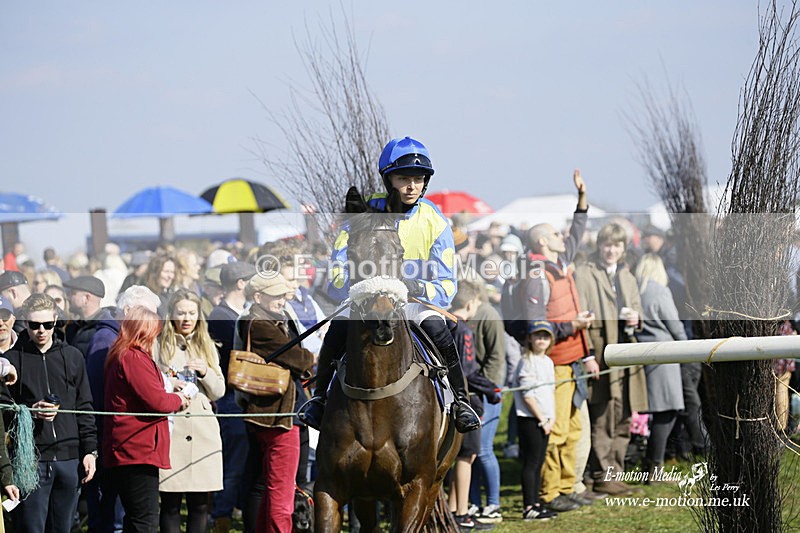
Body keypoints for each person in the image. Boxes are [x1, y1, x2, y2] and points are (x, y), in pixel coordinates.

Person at [299, 136, 480, 435]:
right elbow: (337, 273)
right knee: (338, 329)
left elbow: (447, 286)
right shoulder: (362, 214)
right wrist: (364, 286)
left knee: (438, 330)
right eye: (403, 178)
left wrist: (412, 286)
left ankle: (461, 401)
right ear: (388, 179)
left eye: (418, 179)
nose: (411, 186)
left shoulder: (436, 222)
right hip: (365, 300)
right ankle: (319, 399)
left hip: (413, 303)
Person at [505, 170, 598, 511]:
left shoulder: (558, 261)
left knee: (572, 429)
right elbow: (537, 327)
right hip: (553, 361)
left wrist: (582, 200)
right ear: (543, 242)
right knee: (555, 430)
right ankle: (549, 494)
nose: (564, 237)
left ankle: (564, 486)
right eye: (556, 235)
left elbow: (576, 234)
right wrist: (573, 323)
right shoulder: (536, 275)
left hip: (572, 358)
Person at [0, 293, 98, 533]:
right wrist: (30, 413)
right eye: (34, 325)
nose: (41, 330)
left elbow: (84, 407)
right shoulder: (11, 360)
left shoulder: (73, 356)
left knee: (63, 528)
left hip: (69, 457)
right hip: (30, 461)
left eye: (47, 324)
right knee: (31, 528)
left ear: (56, 320)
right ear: (25, 322)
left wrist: (90, 451)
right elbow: (3, 413)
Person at [237, 273, 315, 532]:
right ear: (258, 297)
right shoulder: (258, 324)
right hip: (279, 420)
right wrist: (311, 356)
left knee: (270, 491)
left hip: (275, 416)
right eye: (277, 295)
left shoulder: (269, 320)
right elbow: (301, 359)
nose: (283, 300)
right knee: (282, 498)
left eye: (284, 294)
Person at [575, 222, 648, 496]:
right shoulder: (584, 274)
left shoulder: (628, 277)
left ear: (623, 248)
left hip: (627, 355)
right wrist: (587, 356)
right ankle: (600, 473)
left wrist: (636, 319)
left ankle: (614, 472)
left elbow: (639, 313)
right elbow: (582, 319)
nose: (611, 250)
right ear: (599, 245)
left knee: (625, 414)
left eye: (617, 245)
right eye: (607, 244)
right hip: (601, 355)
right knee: (603, 415)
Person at [103, 305, 189, 533]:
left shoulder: (123, 354)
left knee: (136, 519)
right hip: (136, 450)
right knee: (146, 521)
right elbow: (157, 402)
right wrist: (180, 398)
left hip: (132, 448)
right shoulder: (133, 357)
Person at [85, 285, 162, 533]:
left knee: (127, 517)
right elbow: (99, 397)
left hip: (121, 442)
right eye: (147, 313)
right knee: (115, 519)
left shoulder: (121, 342)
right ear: (128, 310)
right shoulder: (109, 342)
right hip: (119, 442)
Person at [155, 289, 225, 533]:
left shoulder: (207, 345)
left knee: (199, 506)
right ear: (171, 314)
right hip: (172, 431)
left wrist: (206, 371)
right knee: (170, 504)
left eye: (192, 312)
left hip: (202, 432)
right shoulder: (158, 345)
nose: (186, 318)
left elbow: (219, 391)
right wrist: (168, 380)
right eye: (181, 312)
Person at [208, 261, 257, 533]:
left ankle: (236, 511)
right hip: (230, 399)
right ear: (241, 283)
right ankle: (222, 517)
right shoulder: (221, 316)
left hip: (243, 397)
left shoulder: (237, 313)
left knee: (245, 461)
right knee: (234, 463)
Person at [447, 281, 500, 529]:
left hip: (446, 401)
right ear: (471, 304)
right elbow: (467, 371)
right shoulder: (464, 331)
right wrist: (491, 388)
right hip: (466, 402)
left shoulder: (440, 325)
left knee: (456, 456)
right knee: (466, 457)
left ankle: (452, 509)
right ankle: (461, 513)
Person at [635, 253, 686, 479]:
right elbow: (673, 323)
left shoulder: (634, 289)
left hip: (639, 352)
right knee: (666, 411)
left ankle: (650, 460)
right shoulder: (659, 290)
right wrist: (687, 347)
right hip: (664, 354)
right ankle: (654, 464)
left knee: (652, 411)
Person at [513, 321, 559, 521]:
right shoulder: (527, 361)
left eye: (545, 336)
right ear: (530, 338)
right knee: (531, 463)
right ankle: (529, 507)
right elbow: (528, 395)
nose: (542, 340)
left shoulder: (548, 361)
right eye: (538, 336)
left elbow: (550, 392)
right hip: (531, 419)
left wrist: (552, 417)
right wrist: (542, 419)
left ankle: (537, 503)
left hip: (546, 420)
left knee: (539, 462)